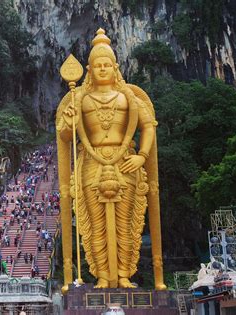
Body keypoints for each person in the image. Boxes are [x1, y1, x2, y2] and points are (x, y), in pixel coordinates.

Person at [56, 28, 166, 290]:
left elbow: (148, 125)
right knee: (95, 224)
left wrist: (142, 155)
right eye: (97, 65)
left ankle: (125, 274)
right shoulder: (80, 99)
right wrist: (69, 121)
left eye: (107, 64)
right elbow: (64, 135)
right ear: (89, 69)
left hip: (125, 160)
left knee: (126, 222)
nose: (102, 69)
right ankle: (103, 275)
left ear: (115, 67)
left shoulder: (127, 97)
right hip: (92, 163)